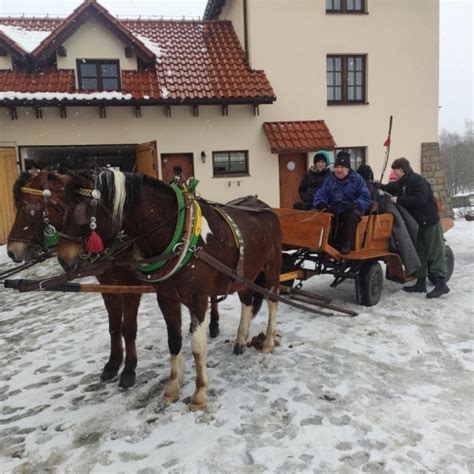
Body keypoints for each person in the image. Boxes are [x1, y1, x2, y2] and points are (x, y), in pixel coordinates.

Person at [382, 157, 449, 298]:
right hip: (418, 223)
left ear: (402, 169)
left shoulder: (418, 181)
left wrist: (399, 200)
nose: (394, 172)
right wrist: (377, 185)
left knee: (435, 252)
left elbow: (421, 199)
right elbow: (390, 188)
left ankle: (441, 284)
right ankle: (420, 283)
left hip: (429, 221)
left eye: (395, 170)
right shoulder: (403, 182)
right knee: (421, 252)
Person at [313, 151, 371, 254]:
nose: (339, 170)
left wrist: (355, 204)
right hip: (334, 208)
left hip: (351, 209)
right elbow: (320, 193)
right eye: (337, 167)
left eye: (342, 167)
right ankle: (324, 242)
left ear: (348, 169)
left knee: (351, 216)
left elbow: (365, 197)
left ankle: (346, 244)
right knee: (320, 213)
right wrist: (321, 203)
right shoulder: (329, 180)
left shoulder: (357, 179)